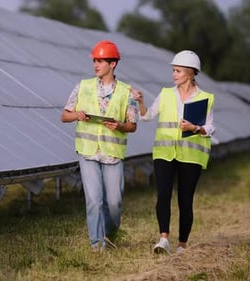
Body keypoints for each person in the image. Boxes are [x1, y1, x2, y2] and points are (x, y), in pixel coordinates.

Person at [132, 50, 215, 254]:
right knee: (163, 194)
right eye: (174, 71)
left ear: (190, 73)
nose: (174, 75)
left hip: (190, 155)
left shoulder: (206, 98)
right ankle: (163, 239)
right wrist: (140, 102)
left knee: (185, 200)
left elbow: (210, 127)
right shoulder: (166, 93)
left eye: (178, 71)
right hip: (164, 152)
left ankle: (182, 245)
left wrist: (195, 128)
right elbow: (147, 116)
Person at [61, 40, 138, 252]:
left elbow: (132, 125)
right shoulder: (82, 86)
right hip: (87, 151)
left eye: (101, 61)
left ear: (113, 64)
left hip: (112, 154)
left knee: (114, 203)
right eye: (95, 60)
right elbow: (64, 116)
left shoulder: (126, 92)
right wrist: (76, 115)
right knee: (94, 200)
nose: (96, 64)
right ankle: (97, 245)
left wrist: (120, 125)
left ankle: (111, 235)